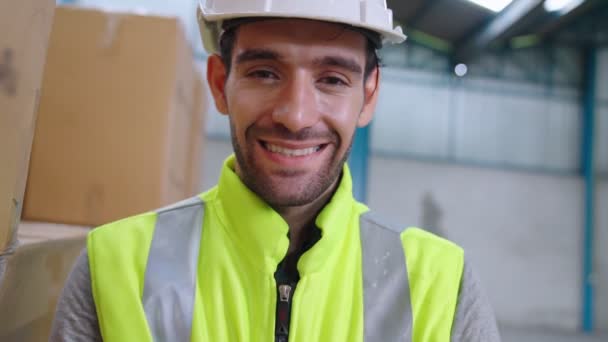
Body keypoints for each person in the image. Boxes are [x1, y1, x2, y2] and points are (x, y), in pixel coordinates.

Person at [51, 0, 501, 341]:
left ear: (369, 95)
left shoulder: (441, 284)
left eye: (332, 79)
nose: (296, 116)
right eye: (264, 73)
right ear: (218, 84)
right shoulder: (115, 268)